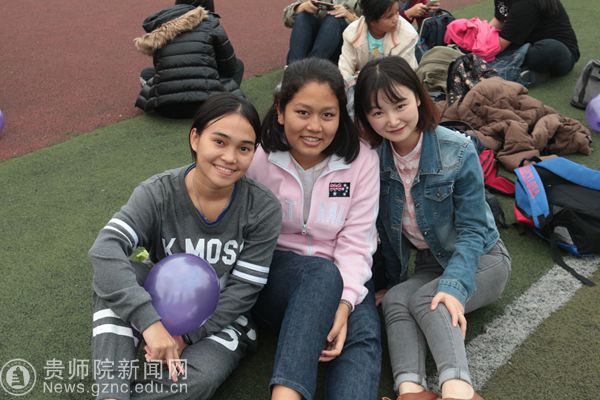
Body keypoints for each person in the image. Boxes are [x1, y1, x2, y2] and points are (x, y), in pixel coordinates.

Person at [89, 93, 282, 400]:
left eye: (244, 148)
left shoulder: (262, 207)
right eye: (219, 141)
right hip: (161, 303)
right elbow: (105, 248)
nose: (230, 157)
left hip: (224, 321)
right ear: (195, 138)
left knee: (198, 381)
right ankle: (111, 393)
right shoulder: (158, 193)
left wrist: (187, 337)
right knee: (114, 278)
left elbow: (244, 290)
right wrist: (150, 323)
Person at [354, 56, 511, 400]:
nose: (392, 120)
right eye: (377, 112)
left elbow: (473, 230)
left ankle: (459, 392)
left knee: (430, 299)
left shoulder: (457, 149)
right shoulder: (372, 160)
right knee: (397, 299)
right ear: (365, 116)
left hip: (482, 259)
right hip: (430, 262)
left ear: (418, 96)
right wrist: (392, 281)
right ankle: (411, 391)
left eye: (399, 105)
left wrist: (455, 286)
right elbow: (383, 233)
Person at [247, 57, 381, 400]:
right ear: (281, 112)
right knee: (319, 275)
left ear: (341, 116)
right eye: (303, 112)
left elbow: (357, 242)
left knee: (362, 333)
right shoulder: (258, 159)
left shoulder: (362, 161)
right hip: (276, 280)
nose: (315, 127)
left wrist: (344, 305)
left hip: (340, 273)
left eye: (327, 115)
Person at [134, 0, 245, 119]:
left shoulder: (162, 26)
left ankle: (167, 96)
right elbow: (229, 67)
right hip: (208, 106)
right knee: (238, 65)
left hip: (166, 109)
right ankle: (226, 101)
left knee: (147, 73)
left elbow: (159, 66)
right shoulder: (211, 22)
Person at [490, 0, 580, 82]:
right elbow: (499, 20)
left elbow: (500, 45)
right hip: (523, 42)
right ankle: (525, 68)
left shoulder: (525, 3)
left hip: (561, 53)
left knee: (547, 50)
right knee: (495, 48)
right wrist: (483, 35)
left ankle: (518, 67)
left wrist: (483, 51)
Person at [338, 0, 418, 87]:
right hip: (361, 84)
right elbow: (345, 68)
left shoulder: (407, 35)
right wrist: (348, 86)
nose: (396, 19)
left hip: (394, 86)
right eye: (389, 16)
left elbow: (402, 74)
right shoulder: (352, 33)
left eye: (397, 12)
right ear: (372, 21)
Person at [283, 0, 361, 65]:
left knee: (333, 20)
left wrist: (350, 16)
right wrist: (301, 7)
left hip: (343, 45)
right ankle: (293, 67)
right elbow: (287, 19)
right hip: (316, 41)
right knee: (302, 16)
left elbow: (368, 25)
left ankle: (311, 68)